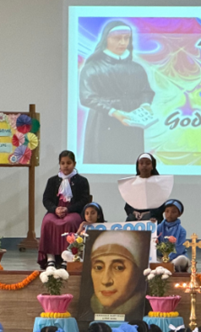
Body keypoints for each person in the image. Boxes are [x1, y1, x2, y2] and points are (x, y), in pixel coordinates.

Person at [79, 20, 155, 164]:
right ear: (106, 39)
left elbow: (146, 91)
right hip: (103, 122)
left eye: (126, 38)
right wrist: (113, 111)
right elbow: (87, 97)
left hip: (132, 123)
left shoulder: (137, 68)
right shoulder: (92, 68)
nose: (123, 42)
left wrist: (145, 106)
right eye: (117, 38)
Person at [38, 150, 91, 269]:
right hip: (55, 211)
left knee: (70, 222)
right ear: (59, 164)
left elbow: (84, 200)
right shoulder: (52, 181)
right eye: (63, 163)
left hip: (73, 211)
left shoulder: (82, 181)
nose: (65, 166)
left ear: (74, 164)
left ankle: (67, 258)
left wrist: (68, 209)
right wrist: (55, 209)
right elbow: (46, 199)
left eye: (68, 163)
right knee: (47, 221)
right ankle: (50, 258)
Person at [81, 231, 148, 322]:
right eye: (98, 267)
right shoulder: (85, 316)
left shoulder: (144, 318)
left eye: (119, 268)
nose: (106, 280)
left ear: (138, 272)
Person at [124, 153, 167, 223]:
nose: (144, 166)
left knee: (148, 218)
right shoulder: (134, 184)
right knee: (130, 218)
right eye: (141, 163)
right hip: (135, 217)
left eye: (147, 163)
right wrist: (134, 212)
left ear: (152, 166)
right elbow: (128, 205)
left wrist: (148, 213)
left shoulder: (158, 184)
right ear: (138, 166)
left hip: (153, 217)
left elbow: (161, 205)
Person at [157, 199, 190, 273]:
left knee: (182, 259)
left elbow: (179, 249)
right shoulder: (158, 228)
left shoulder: (182, 231)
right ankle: (165, 268)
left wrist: (168, 258)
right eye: (167, 211)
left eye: (173, 212)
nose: (169, 214)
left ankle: (169, 267)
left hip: (175, 258)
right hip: (160, 258)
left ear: (179, 214)